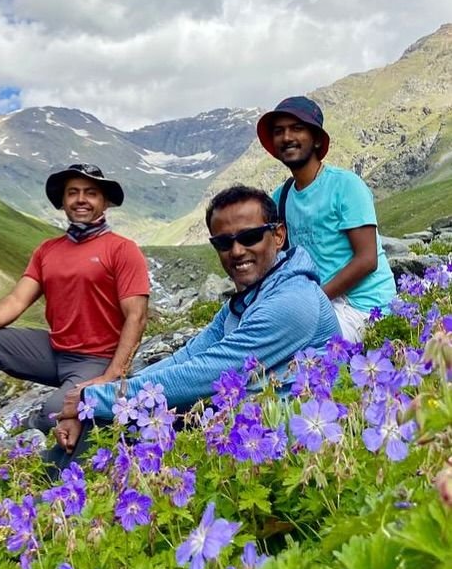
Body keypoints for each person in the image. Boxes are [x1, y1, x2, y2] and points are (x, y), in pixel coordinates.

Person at [55, 185, 340, 452]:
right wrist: (102, 396)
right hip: (245, 420)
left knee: (118, 420)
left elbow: (208, 373)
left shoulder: (292, 301)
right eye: (224, 243)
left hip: (290, 439)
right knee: (111, 416)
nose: (237, 251)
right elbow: (188, 357)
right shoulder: (251, 297)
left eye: (250, 237)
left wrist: (96, 400)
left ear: (278, 236)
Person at [0, 163, 150, 434]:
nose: (81, 199)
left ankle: (21, 430)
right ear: (63, 202)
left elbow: (136, 317)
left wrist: (111, 377)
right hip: (54, 351)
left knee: (55, 413)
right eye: (72, 193)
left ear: (105, 202)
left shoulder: (123, 249)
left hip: (98, 360)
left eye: (90, 193)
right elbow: (16, 301)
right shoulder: (47, 251)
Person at [257, 96, 396, 342]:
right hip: (320, 303)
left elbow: (367, 260)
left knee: (283, 348)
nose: (287, 137)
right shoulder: (281, 197)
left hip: (365, 307)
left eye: (297, 128)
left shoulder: (345, 185)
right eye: (279, 131)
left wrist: (314, 301)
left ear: (317, 139)